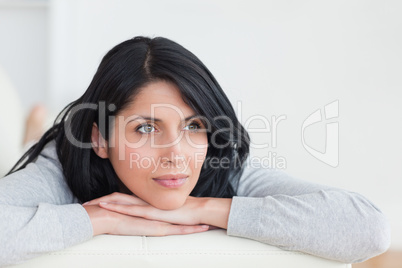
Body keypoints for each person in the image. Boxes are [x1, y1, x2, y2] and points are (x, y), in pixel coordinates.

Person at [0, 36, 390, 266]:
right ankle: (36, 130)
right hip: (66, 142)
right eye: (147, 128)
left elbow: (368, 228)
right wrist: (97, 218)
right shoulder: (62, 163)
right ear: (101, 139)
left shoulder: (220, 167)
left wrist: (202, 207)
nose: (177, 156)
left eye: (193, 126)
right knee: (38, 141)